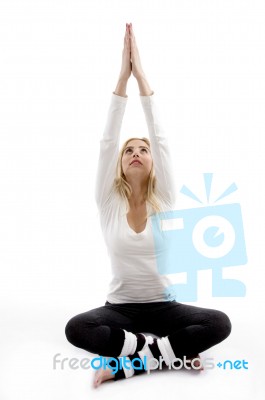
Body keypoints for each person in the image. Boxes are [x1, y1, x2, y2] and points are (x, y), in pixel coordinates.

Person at [65, 23, 232, 389]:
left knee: (220, 323)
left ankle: (130, 364)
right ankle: (166, 351)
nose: (136, 153)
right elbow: (108, 139)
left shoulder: (166, 200)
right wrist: (121, 79)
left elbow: (161, 137)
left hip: (166, 307)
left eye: (143, 150)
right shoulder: (108, 202)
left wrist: (142, 76)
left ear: (153, 161)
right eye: (130, 150)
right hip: (119, 308)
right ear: (121, 163)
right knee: (77, 328)